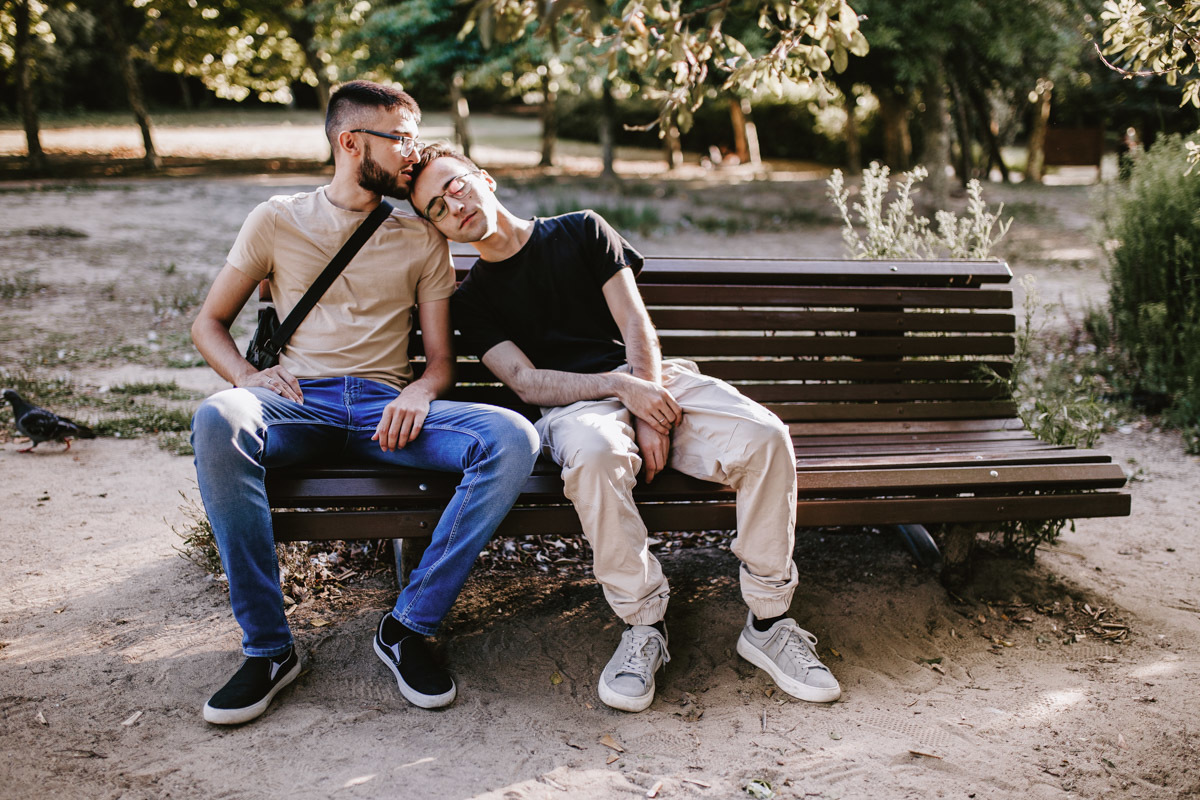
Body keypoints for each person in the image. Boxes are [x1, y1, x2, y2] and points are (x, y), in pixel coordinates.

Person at [408, 144, 841, 712]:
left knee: (765, 437)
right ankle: (643, 626)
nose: (454, 206)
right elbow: (527, 382)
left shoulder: (582, 230)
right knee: (594, 455)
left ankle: (769, 620)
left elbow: (636, 322)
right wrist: (620, 390)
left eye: (456, 187)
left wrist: (644, 402)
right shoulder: (471, 301)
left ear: (483, 179)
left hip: (655, 378)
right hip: (576, 407)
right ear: (438, 228)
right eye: (437, 208)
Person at [189, 83, 539, 725]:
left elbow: (440, 363)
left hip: (387, 412)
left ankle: (408, 626)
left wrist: (419, 391)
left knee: (512, 437)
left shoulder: (421, 236)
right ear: (351, 143)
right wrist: (246, 377)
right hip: (299, 403)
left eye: (414, 138)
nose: (413, 153)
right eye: (400, 138)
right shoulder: (276, 219)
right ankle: (269, 650)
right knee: (217, 416)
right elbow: (208, 323)